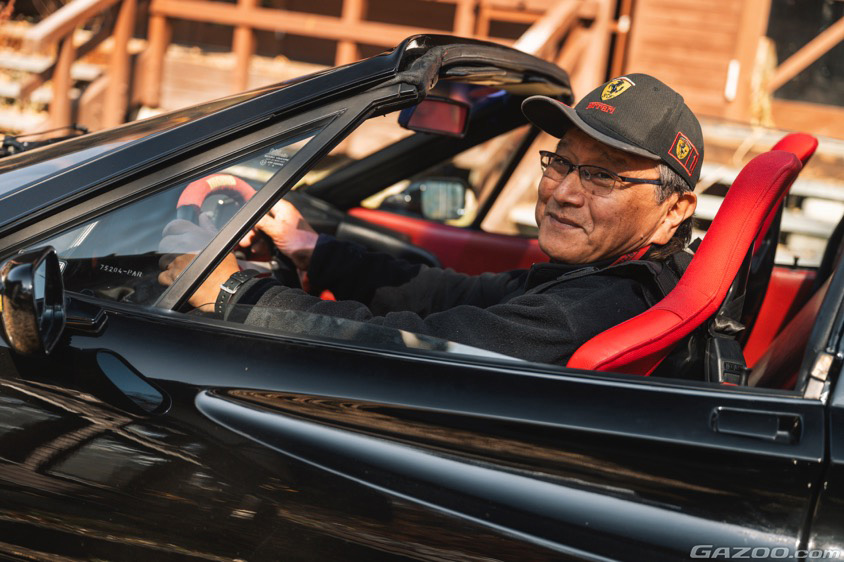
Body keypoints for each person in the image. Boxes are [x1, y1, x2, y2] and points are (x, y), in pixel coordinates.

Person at [160, 74, 701, 365]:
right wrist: (312, 248)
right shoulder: (611, 276)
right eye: (560, 162)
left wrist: (235, 294)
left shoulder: (591, 307)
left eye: (601, 176)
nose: (562, 192)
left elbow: (406, 349)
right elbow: (458, 295)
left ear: (673, 211)